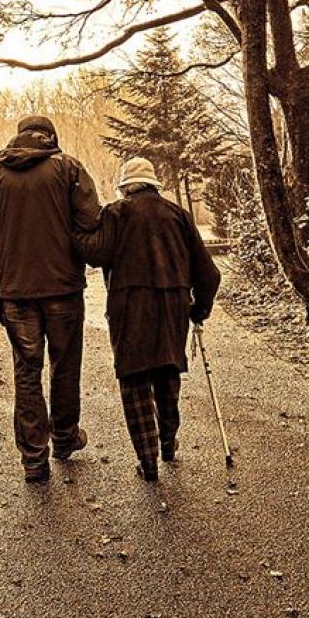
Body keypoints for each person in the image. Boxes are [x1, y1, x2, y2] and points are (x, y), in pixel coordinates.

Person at [0, 116, 101, 483]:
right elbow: (90, 222)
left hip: (16, 295)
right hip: (63, 290)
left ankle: (33, 459)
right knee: (65, 365)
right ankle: (63, 438)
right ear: (51, 138)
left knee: (27, 373)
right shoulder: (69, 168)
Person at [75, 157, 221, 481]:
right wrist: (199, 309)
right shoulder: (179, 215)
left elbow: (96, 253)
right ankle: (168, 443)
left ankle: (149, 462)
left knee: (134, 379)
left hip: (130, 305)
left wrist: (72, 224)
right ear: (154, 183)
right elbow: (210, 274)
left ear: (126, 186)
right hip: (173, 304)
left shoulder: (116, 213)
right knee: (167, 371)